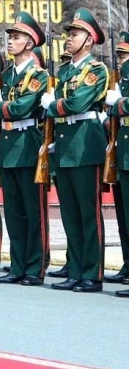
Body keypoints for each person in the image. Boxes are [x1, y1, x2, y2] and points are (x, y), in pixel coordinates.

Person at [43, 8, 108, 293]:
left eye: (75, 34)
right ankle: (77, 269)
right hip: (66, 143)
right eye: (69, 34)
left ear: (90, 40)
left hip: (85, 144)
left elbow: (75, 103)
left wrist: (52, 105)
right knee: (70, 213)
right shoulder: (67, 70)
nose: (69, 39)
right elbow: (61, 103)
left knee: (88, 214)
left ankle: (91, 274)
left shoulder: (96, 70)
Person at [0, 13, 50, 285]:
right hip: (9, 145)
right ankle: (17, 265)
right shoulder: (4, 76)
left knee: (33, 211)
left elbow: (22, 108)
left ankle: (34, 267)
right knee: (13, 210)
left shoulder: (38, 76)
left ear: (29, 43)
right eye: (10, 38)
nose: (10, 42)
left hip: (28, 142)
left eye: (16, 38)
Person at [106, 32, 129, 297]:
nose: (120, 61)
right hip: (121, 149)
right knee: (123, 216)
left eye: (123, 56)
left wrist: (119, 103)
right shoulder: (121, 78)